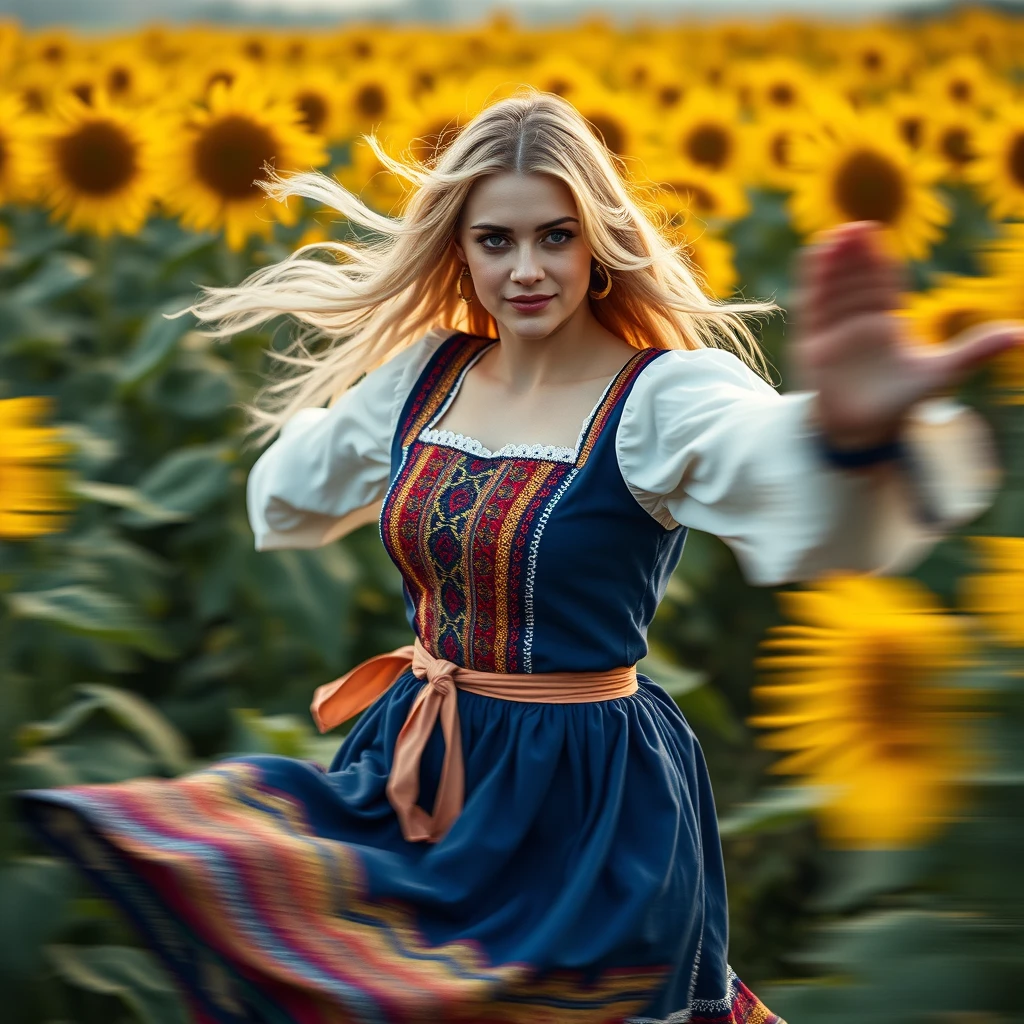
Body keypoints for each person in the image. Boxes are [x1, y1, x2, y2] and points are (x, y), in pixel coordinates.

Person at [15, 87, 1018, 1024]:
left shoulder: (661, 396)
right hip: (422, 757)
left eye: (555, 236)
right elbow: (281, 499)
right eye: (494, 241)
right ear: (458, 250)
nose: (525, 269)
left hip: (584, 792)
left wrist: (839, 435)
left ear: (598, 245)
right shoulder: (426, 379)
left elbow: (773, 475)